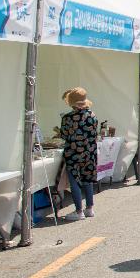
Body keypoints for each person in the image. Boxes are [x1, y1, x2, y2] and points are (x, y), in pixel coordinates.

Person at [59, 88, 98, 220]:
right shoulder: (92, 115)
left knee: (75, 181)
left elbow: (64, 135)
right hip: (89, 152)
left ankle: (79, 211)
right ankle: (90, 208)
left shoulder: (67, 118)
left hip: (73, 153)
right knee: (87, 180)